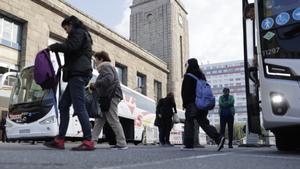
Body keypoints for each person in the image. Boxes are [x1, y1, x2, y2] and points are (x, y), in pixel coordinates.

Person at [44, 15, 95, 151]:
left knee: (79, 107)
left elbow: (71, 47)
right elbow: (73, 50)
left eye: (66, 28)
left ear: (71, 24)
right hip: (76, 74)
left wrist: (56, 46)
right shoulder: (81, 34)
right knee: (63, 105)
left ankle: (88, 141)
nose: (66, 31)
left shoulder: (78, 32)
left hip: (78, 74)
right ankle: (60, 139)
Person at [181, 58, 225, 151]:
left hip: (192, 103)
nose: (186, 66)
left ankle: (188, 144)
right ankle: (218, 138)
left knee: (189, 122)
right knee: (204, 123)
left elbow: (185, 91)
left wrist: (185, 103)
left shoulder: (188, 76)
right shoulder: (202, 76)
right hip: (203, 103)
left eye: (187, 64)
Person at [90, 51, 128, 150]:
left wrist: (96, 84)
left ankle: (122, 143)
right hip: (107, 97)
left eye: (96, 60)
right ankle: (92, 142)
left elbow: (109, 79)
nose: (95, 62)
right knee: (99, 120)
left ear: (101, 59)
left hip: (111, 96)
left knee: (113, 120)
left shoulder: (105, 67)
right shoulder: (107, 67)